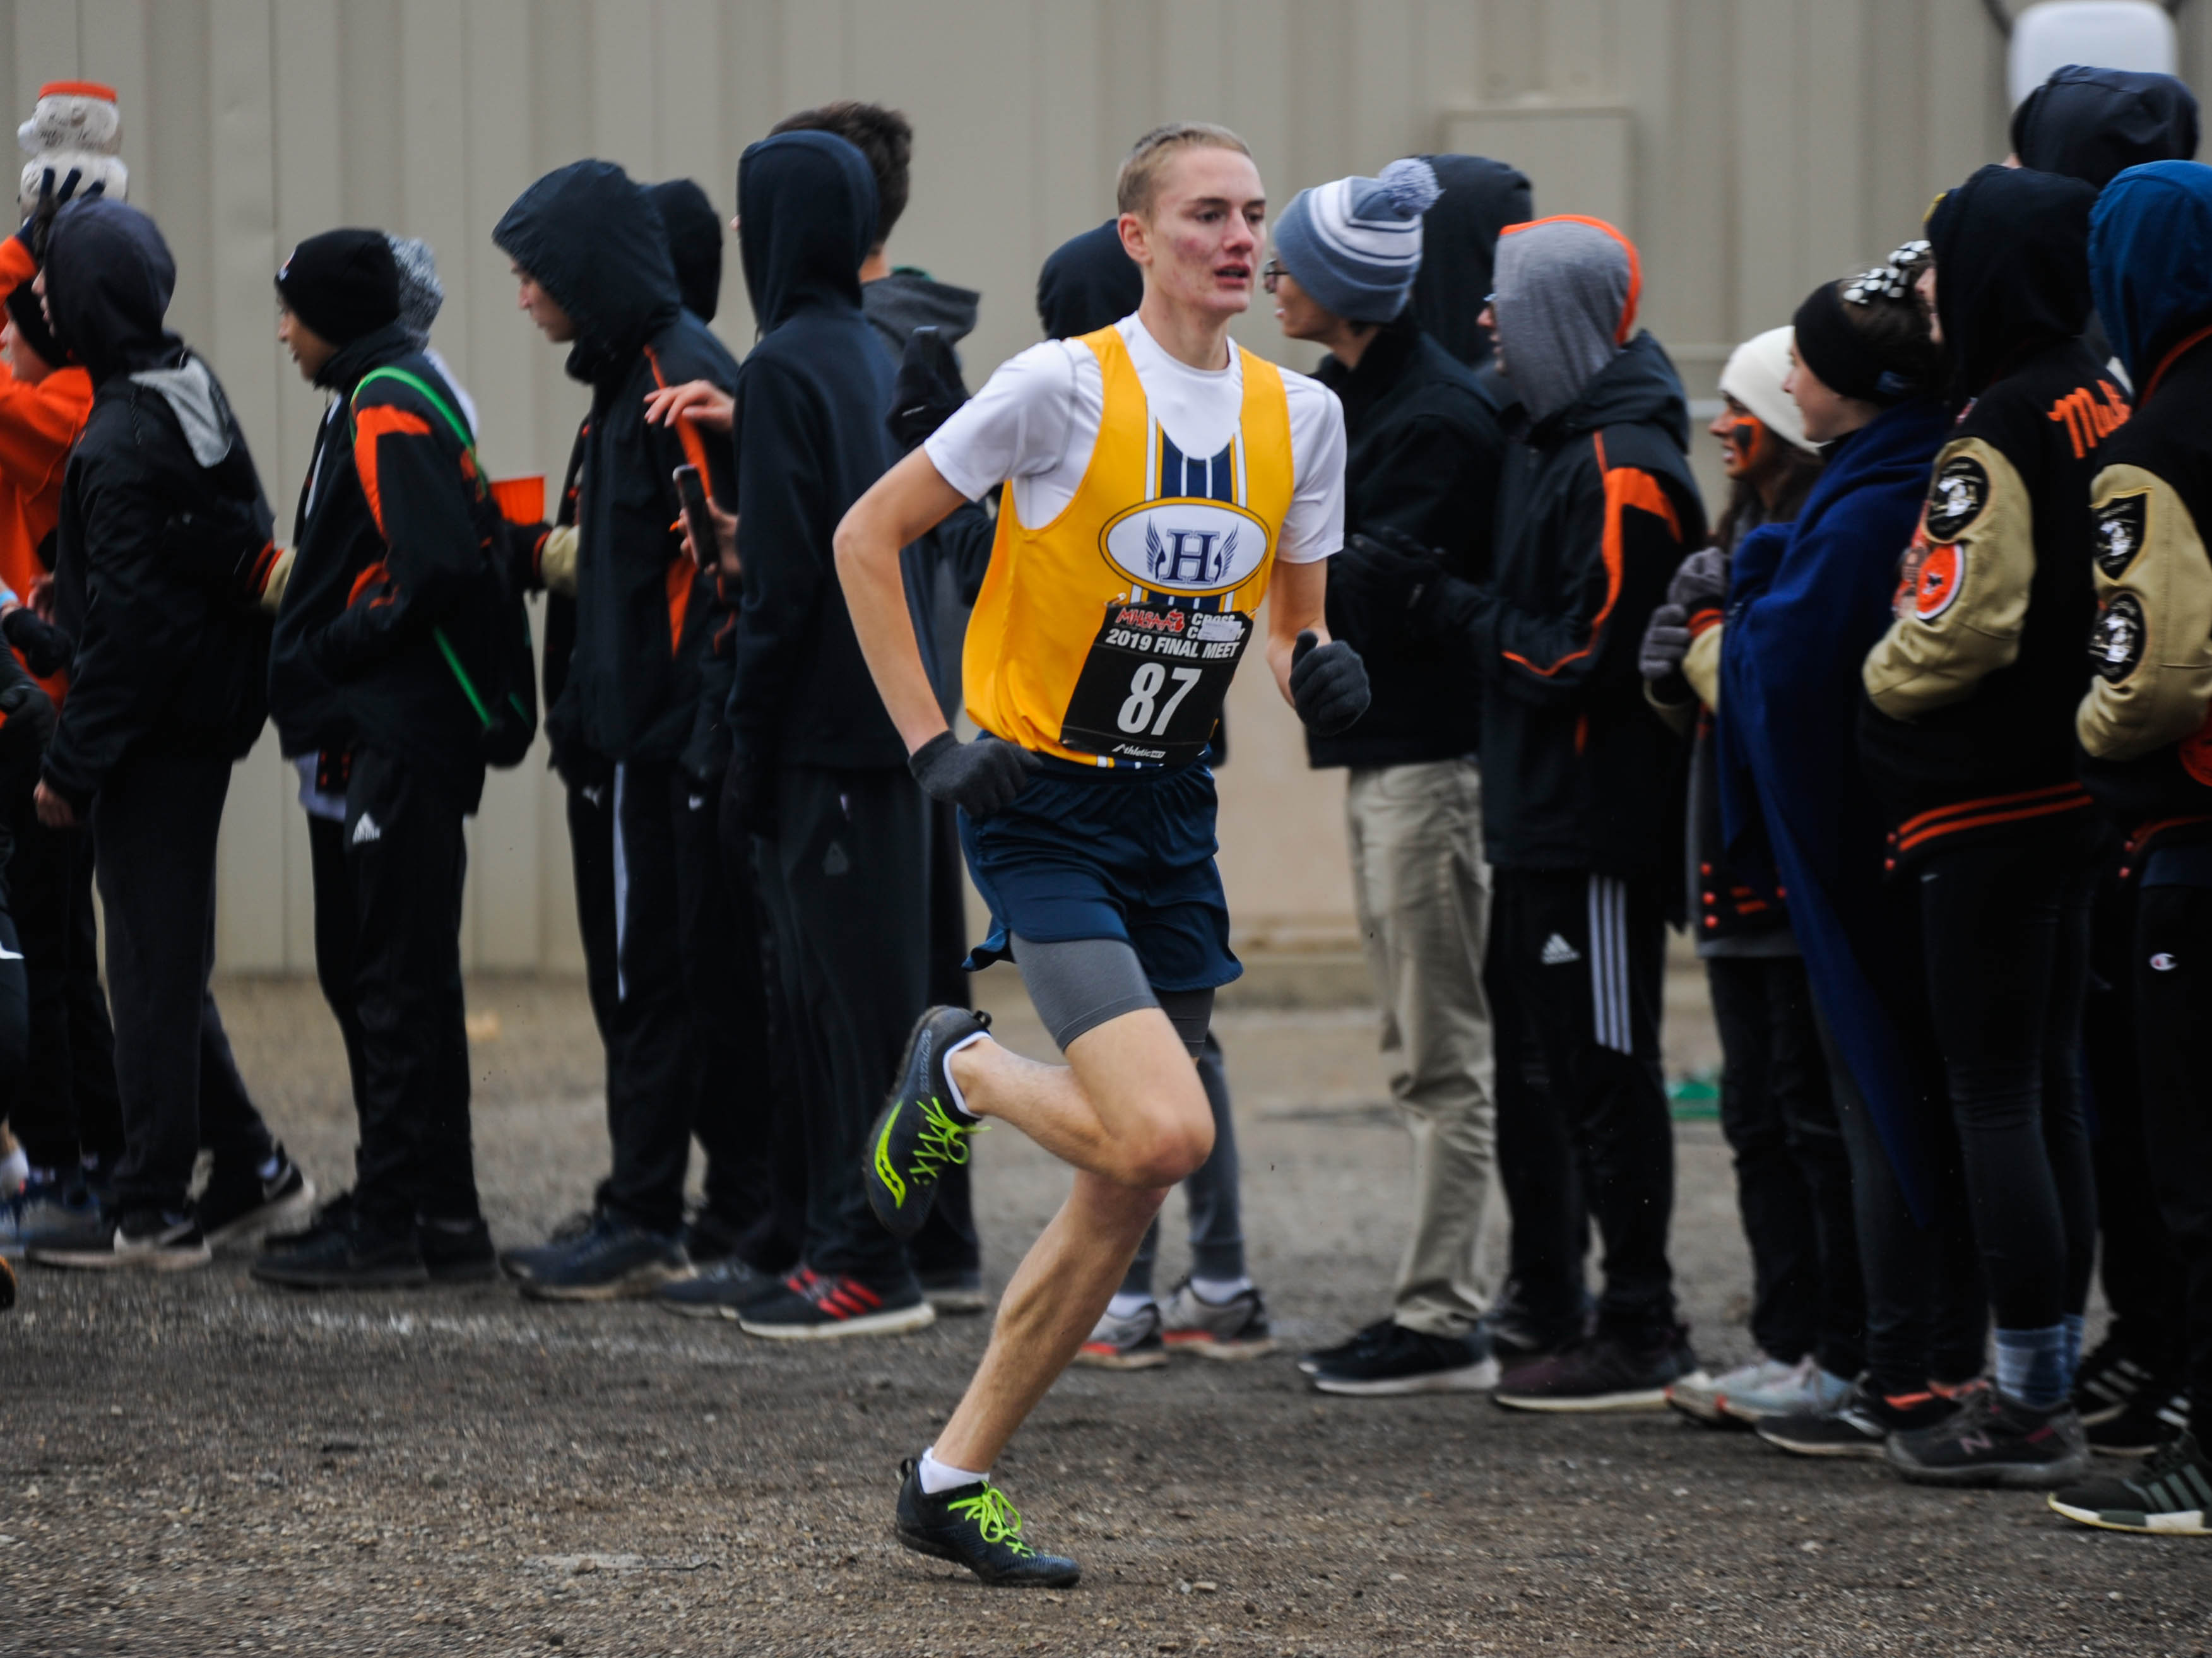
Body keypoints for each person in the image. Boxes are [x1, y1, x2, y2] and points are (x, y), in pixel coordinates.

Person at [837, 122, 1359, 1585]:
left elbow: (1290, 619)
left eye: (1255, 213)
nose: (1242, 237)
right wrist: (927, 739)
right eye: (1207, 213)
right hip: (1041, 807)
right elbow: (865, 540)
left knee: (1125, 1189)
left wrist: (1318, 670)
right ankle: (966, 1069)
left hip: (1169, 814)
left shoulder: (1298, 416)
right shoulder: (1059, 387)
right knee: (1166, 1136)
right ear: (1137, 237)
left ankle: (949, 1477)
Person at [1368, 214, 1703, 1409]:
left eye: (1505, 304)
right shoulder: (1554, 441)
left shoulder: (1623, 466)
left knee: (1610, 1079)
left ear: (1555, 317)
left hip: (1592, 827)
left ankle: (1645, 1324)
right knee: (1556, 1076)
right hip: (1538, 818)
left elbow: (1588, 658)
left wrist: (1445, 606)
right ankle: (1571, 1305)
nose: (1482, 321)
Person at [1850, 166, 2114, 1489]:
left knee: (1993, 1094)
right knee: (2048, 1087)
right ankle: (2054, 1371)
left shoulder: (1996, 426)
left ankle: (2020, 1405)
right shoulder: (2099, 392)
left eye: (1946, 260)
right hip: (2079, 789)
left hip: (1983, 802)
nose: (1931, 288)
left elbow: (1961, 621)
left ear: (1997, 270)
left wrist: (1873, 680)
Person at [1718, 251, 1989, 1460]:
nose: (1788, 376)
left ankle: (1909, 1365)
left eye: (1806, 359)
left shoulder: (1877, 490)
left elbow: (1783, 663)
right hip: (1915, 839)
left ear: (1844, 386)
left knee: (1883, 1098)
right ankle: (1944, 1356)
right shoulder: (1895, 465)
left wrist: (1752, 583)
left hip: (1875, 852)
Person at [1264, 158, 1516, 1397]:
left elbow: (1366, 582)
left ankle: (1440, 1315)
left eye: (1291, 262)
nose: (1267, 277)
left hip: (1435, 772)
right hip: (1387, 768)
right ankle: (1441, 1299)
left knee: (1441, 1046)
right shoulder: (1343, 395)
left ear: (1350, 291)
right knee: (1414, 1035)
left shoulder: (1435, 420)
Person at [26, 197, 309, 1270]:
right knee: (166, 953)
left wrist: (71, 763)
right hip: (199, 717)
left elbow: (136, 638)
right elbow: (193, 560)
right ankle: (249, 1167)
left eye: (51, 292)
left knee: (145, 964)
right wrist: (83, 587)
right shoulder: (185, 385)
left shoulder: (116, 440)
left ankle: (152, 1207)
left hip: (154, 736)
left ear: (88, 307)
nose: (38, 307)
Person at [1014, 217, 1271, 1374]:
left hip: (1161, 790)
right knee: (1156, 1084)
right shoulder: (1054, 421)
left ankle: (1207, 1275)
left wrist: (1307, 650)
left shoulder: (1243, 420)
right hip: (1055, 801)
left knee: (1173, 1074)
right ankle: (1182, 1281)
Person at [249, 228, 519, 1288]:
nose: (282, 332)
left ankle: (399, 1227)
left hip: (401, 737)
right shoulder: (378, 390)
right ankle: (435, 1215)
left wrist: (329, 646)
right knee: (393, 978)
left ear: (338, 319)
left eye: (294, 313)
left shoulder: (387, 401)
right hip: (388, 734)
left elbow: (437, 569)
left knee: (397, 987)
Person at [490, 159, 740, 1300]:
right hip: (637, 741)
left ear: (582, 269)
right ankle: (714, 1205)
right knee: (674, 977)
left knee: (656, 985)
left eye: (532, 269)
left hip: (665, 749)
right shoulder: (631, 377)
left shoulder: (670, 380)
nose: (522, 292)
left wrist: (680, 738)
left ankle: (646, 1215)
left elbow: (728, 575)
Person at [759, 100, 987, 1318]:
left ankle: (872, 1253)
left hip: (851, 737)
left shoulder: (810, 359)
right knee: (915, 999)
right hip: (913, 731)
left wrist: (742, 740)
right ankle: (932, 1236)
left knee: (861, 1015)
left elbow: (800, 579)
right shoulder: (895, 355)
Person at [1641, 326, 1857, 1428]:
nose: (1718, 429)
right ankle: (1789, 1339)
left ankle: (1835, 1345)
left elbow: (1748, 685)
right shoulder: (1725, 549)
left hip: (1788, 879)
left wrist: (1707, 634)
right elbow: (1663, 674)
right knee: (1756, 1116)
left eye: (1736, 411)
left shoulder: (1813, 546)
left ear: (1777, 422)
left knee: (1806, 1117)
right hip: (1727, 878)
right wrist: (1696, 639)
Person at [2049, 157, 2212, 1536]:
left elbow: (2151, 676)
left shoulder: (2153, 444)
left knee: (2195, 1165)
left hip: (2193, 837)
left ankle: (2203, 1457)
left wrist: (2091, 737)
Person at [0, 185, 116, 1254]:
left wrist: (32, 246)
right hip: (48, 699)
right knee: (65, 950)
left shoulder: (74, 400)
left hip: (49, 711)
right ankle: (100, 1161)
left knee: (50, 952)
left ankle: (79, 1171)